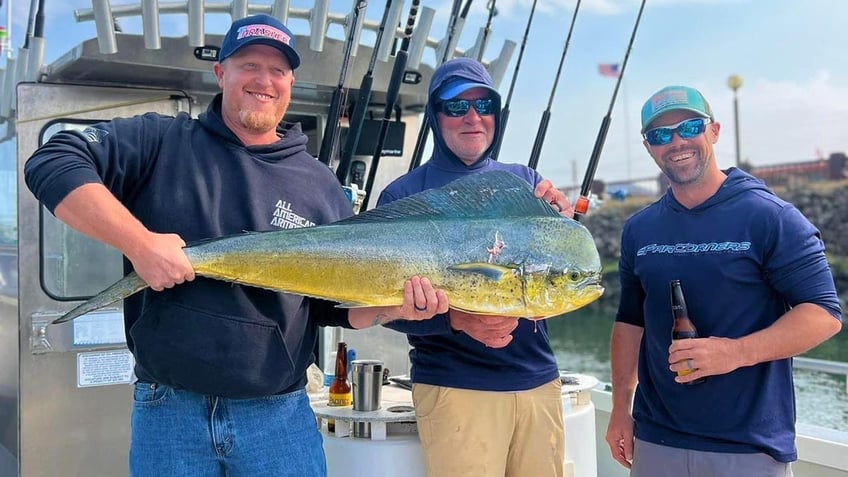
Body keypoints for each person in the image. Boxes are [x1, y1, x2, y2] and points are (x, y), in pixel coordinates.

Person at [24, 14, 447, 477]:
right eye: (249, 65)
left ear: (290, 83)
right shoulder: (161, 140)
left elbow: (331, 308)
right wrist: (140, 244)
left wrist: (395, 307)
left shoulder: (321, 186)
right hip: (169, 411)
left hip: (278, 419)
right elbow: (53, 160)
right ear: (221, 73)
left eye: (278, 70)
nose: (263, 81)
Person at [605, 85, 843, 477]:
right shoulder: (639, 229)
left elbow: (824, 313)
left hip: (748, 447)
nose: (676, 142)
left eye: (689, 127)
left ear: (713, 131)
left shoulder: (770, 217)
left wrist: (734, 353)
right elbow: (630, 322)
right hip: (656, 440)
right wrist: (619, 409)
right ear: (649, 147)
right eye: (660, 135)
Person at [377, 57, 574, 477]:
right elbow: (381, 308)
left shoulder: (525, 182)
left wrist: (568, 223)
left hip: (539, 383)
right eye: (456, 106)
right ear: (435, 115)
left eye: (484, 105)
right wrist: (455, 322)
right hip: (455, 387)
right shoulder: (403, 195)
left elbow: (563, 270)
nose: (472, 117)